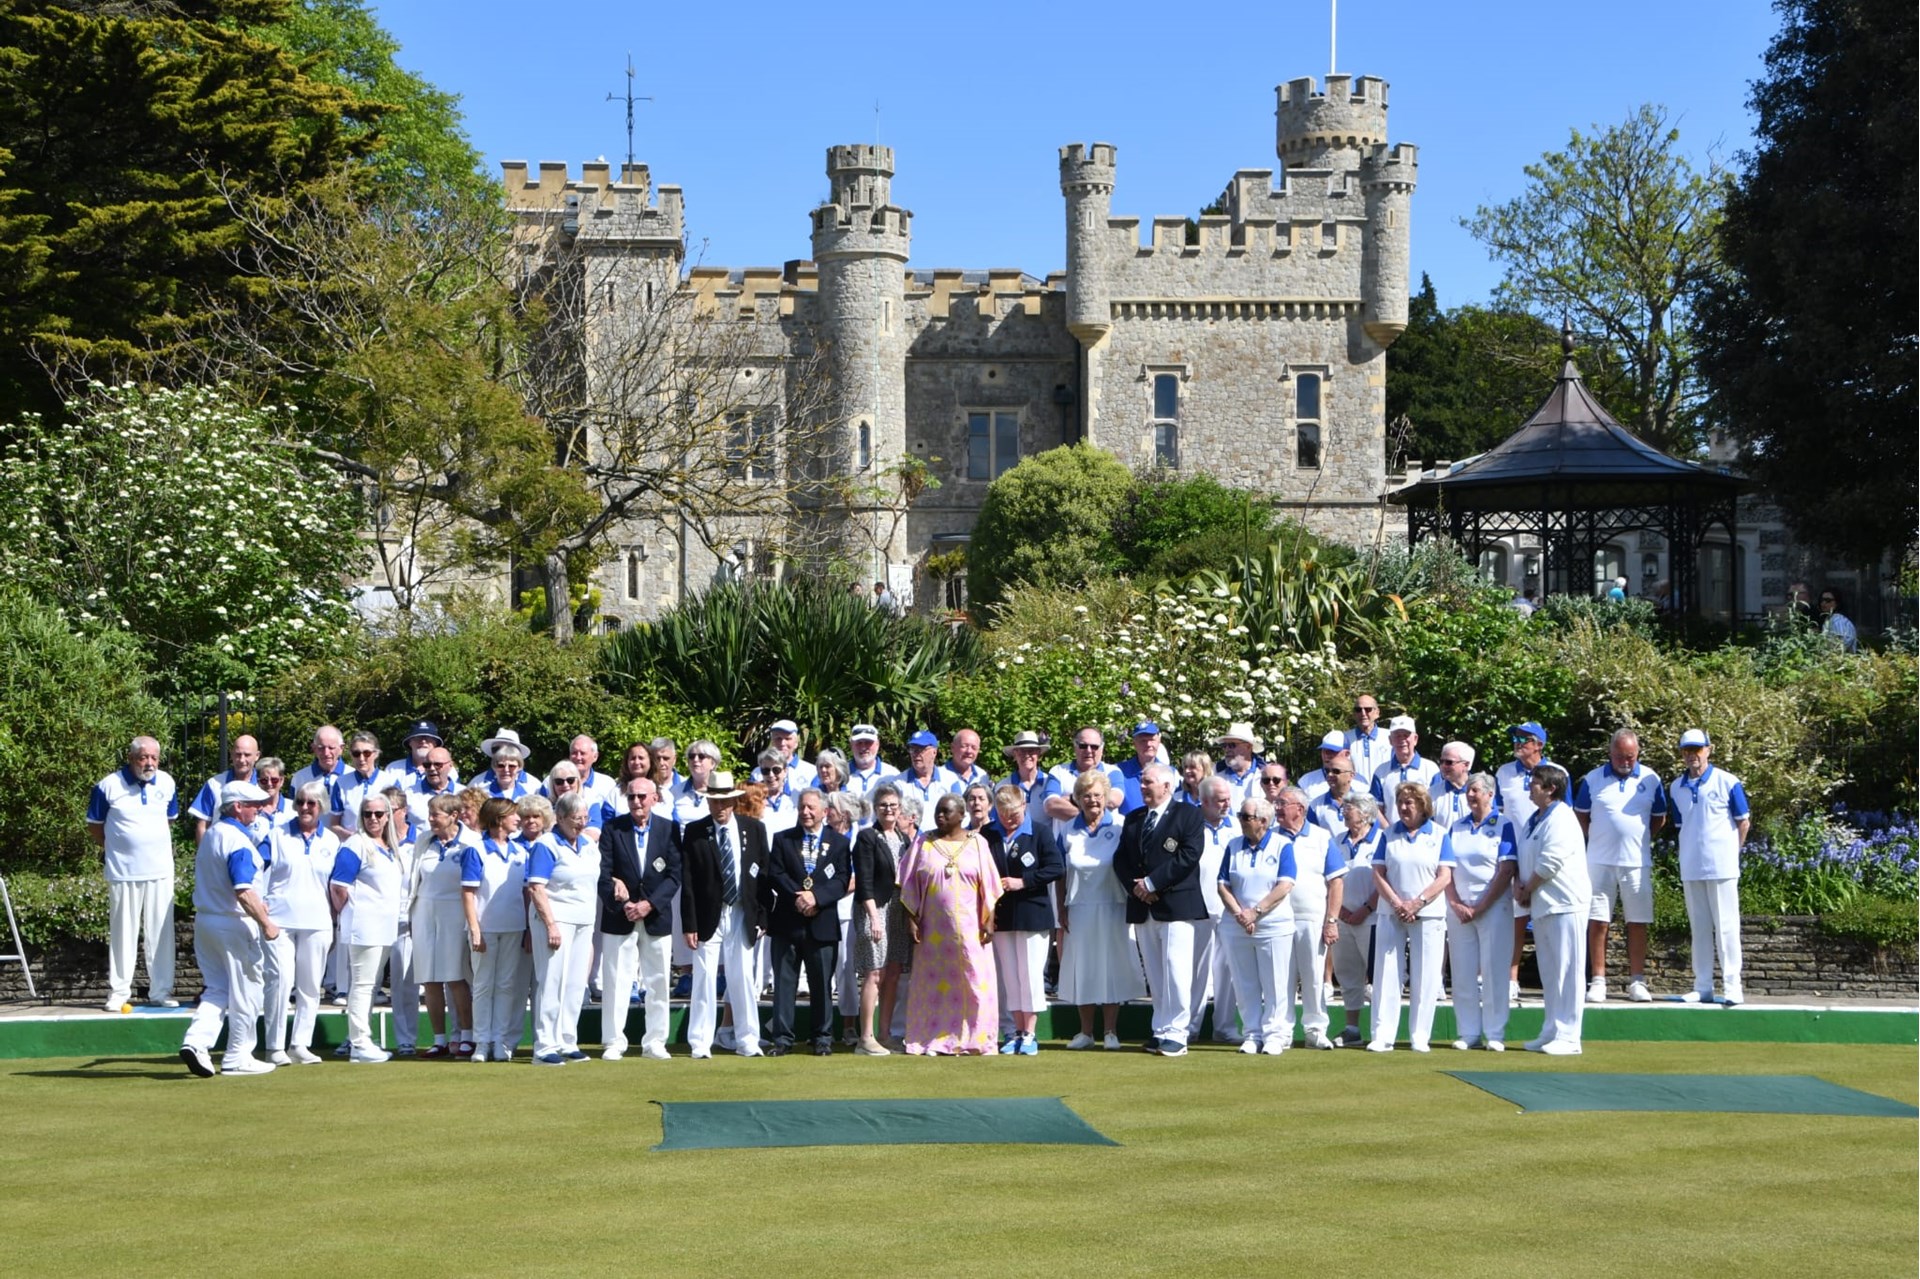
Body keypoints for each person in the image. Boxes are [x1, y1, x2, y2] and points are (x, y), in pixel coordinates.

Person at [179, 781, 279, 1077]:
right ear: (237, 807)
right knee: (247, 990)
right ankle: (238, 1055)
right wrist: (266, 923)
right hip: (233, 924)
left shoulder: (211, 835)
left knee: (217, 990)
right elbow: (243, 891)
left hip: (206, 922)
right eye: (253, 804)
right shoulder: (238, 841)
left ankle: (196, 1043)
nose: (259, 809)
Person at [897, 794, 1002, 1055]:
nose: (940, 816)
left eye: (946, 812)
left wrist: (990, 920)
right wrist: (910, 919)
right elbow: (909, 883)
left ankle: (976, 1038)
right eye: (937, 812)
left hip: (970, 930)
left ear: (961, 815)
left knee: (974, 982)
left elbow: (989, 885)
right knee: (934, 985)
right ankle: (932, 1036)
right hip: (932, 933)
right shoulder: (924, 842)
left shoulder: (978, 843)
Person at [1114, 762, 1207, 1056]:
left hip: (1176, 905)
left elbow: (1189, 856)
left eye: (1148, 782)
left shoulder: (1188, 814)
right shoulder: (1134, 818)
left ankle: (1178, 1033)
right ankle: (1161, 1028)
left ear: (1167, 786)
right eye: (1142, 782)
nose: (1142, 787)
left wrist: (1153, 884)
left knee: (1176, 970)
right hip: (1144, 907)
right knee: (1155, 973)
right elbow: (1121, 860)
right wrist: (1138, 889)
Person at [679, 771, 772, 1058]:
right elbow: (689, 882)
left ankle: (747, 1040)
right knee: (704, 977)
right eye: (714, 803)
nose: (719, 808)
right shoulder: (695, 832)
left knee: (742, 976)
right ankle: (700, 1041)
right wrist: (689, 923)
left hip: (742, 913)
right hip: (710, 914)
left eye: (724, 803)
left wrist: (763, 918)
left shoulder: (753, 829)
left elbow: (764, 877)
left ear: (733, 802)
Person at [1574, 730, 1666, 1003]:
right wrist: (1600, 839)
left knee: (1637, 922)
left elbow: (1659, 819)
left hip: (1636, 863)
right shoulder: (1592, 779)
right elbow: (1581, 815)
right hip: (1598, 861)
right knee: (1598, 920)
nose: (1625, 761)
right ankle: (1599, 980)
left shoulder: (1651, 779)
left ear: (1637, 753)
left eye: (1630, 756)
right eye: (1619, 756)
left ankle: (1637, 980)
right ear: (1609, 753)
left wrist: (1637, 839)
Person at [1053, 769, 1143, 1049]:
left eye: (1098, 795)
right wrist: (1061, 909)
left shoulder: (1120, 825)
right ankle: (1085, 1032)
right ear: (1078, 799)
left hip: (1114, 906)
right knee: (1085, 967)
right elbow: (1060, 873)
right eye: (1087, 795)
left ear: (1106, 797)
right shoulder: (1068, 830)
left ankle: (1111, 1033)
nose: (1093, 800)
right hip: (1079, 908)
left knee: (1111, 967)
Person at [89, 736, 180, 1012]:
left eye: (154, 757)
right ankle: (118, 994)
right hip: (122, 873)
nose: (149, 762)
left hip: (161, 871)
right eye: (143, 757)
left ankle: (161, 992)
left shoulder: (167, 783)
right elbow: (95, 826)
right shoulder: (108, 786)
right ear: (131, 758)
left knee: (162, 934)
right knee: (122, 934)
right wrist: (118, 849)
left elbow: (168, 819)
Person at [1368, 782, 1455, 1053]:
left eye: (1410, 802)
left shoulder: (1439, 834)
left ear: (1423, 805)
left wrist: (1417, 902)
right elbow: (1379, 873)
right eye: (1401, 802)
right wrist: (1397, 903)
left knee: (1426, 974)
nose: (1404, 807)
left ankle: (1419, 1035)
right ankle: (1382, 1035)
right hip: (1390, 912)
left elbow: (1444, 876)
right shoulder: (1388, 834)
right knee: (1386, 973)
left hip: (1428, 914)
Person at [598, 778, 681, 1061]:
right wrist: (622, 900)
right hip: (620, 915)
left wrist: (649, 905)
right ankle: (613, 1041)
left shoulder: (669, 829)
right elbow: (603, 870)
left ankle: (655, 1041)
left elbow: (674, 875)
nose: (636, 802)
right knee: (617, 980)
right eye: (631, 797)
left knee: (658, 981)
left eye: (641, 797)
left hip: (655, 916)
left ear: (654, 798)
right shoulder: (612, 828)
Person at [1668, 729, 1750, 1005]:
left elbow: (1743, 822)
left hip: (1722, 867)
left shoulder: (1728, 781)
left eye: (1697, 749)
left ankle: (1732, 986)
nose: (1692, 755)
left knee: (1726, 927)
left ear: (1709, 750)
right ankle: (1702, 985)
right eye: (1687, 750)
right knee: (1699, 928)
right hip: (1691, 866)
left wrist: (1731, 854)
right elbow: (1682, 825)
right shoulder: (1675, 787)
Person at [765, 790, 850, 1056]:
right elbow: (775, 873)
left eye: (812, 808)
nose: (806, 812)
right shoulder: (782, 839)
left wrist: (817, 898)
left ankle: (822, 1038)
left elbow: (842, 879)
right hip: (788, 922)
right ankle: (782, 1039)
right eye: (802, 807)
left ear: (825, 812)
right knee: (784, 983)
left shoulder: (839, 843)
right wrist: (799, 898)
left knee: (822, 984)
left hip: (822, 922)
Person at [1514, 763, 1591, 1053]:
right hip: (1544, 905)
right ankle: (1551, 1030)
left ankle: (1570, 1037)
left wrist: (1526, 887)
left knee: (1568, 970)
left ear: (1551, 788)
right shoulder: (1535, 818)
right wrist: (1520, 887)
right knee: (1550, 972)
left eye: (1535, 782)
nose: (1530, 786)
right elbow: (1527, 858)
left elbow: (1550, 862)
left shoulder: (1563, 817)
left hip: (1566, 903)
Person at [260, 782, 339, 1064]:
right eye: (301, 802)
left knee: (309, 986)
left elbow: (335, 885)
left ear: (321, 807)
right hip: (279, 920)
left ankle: (300, 1044)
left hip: (318, 921)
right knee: (280, 981)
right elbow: (258, 868)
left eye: (311, 803)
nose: (305, 808)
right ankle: (274, 1046)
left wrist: (335, 919)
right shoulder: (276, 834)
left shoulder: (331, 841)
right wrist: (260, 902)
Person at [1215, 795, 1298, 1055]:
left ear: (1263, 821)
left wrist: (1256, 912)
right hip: (1236, 925)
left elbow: (1284, 884)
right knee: (1244, 982)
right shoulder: (1233, 845)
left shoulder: (1282, 845)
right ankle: (1252, 1033)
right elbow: (1222, 884)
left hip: (1273, 925)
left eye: (1246, 817)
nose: (1240, 820)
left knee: (1275, 981)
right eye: (1240, 816)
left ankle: (1275, 1034)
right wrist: (1241, 914)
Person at [1443, 773, 1517, 1051]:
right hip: (1459, 909)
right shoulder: (1457, 826)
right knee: (1462, 972)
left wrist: (1480, 906)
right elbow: (1446, 869)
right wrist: (1456, 903)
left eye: (1476, 791)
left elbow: (1506, 869)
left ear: (1489, 794)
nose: (1471, 795)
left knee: (1494, 970)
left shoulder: (1504, 825)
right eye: (1468, 791)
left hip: (1493, 907)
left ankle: (1495, 1033)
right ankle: (1468, 1032)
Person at [328, 792, 404, 1063]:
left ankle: (362, 1040)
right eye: (367, 814)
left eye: (379, 814)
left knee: (369, 986)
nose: (373, 818)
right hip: (364, 926)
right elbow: (338, 886)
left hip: (383, 927)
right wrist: (352, 914)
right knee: (361, 985)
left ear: (387, 817)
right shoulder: (355, 844)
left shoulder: (387, 847)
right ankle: (359, 1043)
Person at [526, 792, 601, 1065]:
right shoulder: (546, 845)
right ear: (559, 818)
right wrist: (551, 925)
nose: (580, 824)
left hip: (583, 921)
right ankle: (544, 1045)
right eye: (574, 819)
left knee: (575, 982)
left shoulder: (589, 845)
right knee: (551, 981)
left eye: (584, 819)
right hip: (556, 920)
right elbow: (536, 888)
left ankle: (567, 1040)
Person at [987, 785, 1062, 1055]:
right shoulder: (988, 834)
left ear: (1025, 808)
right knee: (1010, 977)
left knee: (1030, 975)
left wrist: (1023, 882)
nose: (1008, 818)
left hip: (1033, 915)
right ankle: (1015, 1032)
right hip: (1002, 917)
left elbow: (1056, 867)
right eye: (1003, 813)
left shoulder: (1039, 833)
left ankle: (1030, 1033)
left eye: (1014, 813)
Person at [1271, 785, 1344, 1052]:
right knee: (1281, 977)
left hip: (1311, 917)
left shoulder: (1322, 837)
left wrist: (1332, 920)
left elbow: (1336, 881)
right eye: (1276, 804)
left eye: (1282, 804)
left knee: (1314, 976)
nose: (1276, 808)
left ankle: (1315, 1030)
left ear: (1300, 809)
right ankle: (1282, 1031)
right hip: (1277, 919)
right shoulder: (1271, 837)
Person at [461, 797, 531, 1064]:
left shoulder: (521, 851)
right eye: (514, 815)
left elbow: (526, 894)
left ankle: (500, 1041)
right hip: (485, 929)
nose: (519, 819)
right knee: (482, 985)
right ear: (500, 819)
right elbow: (467, 893)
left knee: (506, 986)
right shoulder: (476, 850)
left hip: (513, 927)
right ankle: (481, 1042)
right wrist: (475, 928)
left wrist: (526, 928)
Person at [412, 793, 477, 1058]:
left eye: (436, 814)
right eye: (430, 814)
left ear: (454, 815)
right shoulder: (423, 841)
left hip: (455, 912)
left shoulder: (470, 843)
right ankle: (439, 1039)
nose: (431, 820)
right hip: (424, 912)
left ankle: (467, 1035)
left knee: (455, 977)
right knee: (429, 979)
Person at [851, 783, 911, 1055]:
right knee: (874, 972)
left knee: (894, 973)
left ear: (900, 808)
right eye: (884, 805)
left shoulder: (904, 838)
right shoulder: (867, 837)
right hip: (874, 909)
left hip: (899, 911)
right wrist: (873, 917)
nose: (889, 809)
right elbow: (863, 881)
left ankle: (885, 1034)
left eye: (893, 805)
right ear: (875, 808)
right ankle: (865, 1037)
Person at [1497, 721, 1554, 1004]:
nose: (1518, 742)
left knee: (1547, 921)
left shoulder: (1556, 773)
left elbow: (1561, 816)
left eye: (1525, 738)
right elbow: (1500, 817)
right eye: (1516, 738)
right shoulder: (1504, 772)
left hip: (1545, 856)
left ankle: (1551, 980)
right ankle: (1511, 979)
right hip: (1514, 857)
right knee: (1516, 922)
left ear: (1539, 744)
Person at [1329, 793, 1385, 1047]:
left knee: (1377, 977)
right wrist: (1338, 911)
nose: (1344, 812)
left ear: (1364, 813)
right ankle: (1352, 1028)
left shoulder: (1381, 839)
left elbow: (1385, 877)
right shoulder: (1336, 841)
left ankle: (1380, 1029)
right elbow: (1330, 877)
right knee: (1348, 975)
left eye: (1348, 808)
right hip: (1342, 918)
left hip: (1372, 918)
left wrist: (1365, 908)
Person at [1192, 777, 1241, 1043]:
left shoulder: (1236, 826)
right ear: (1205, 801)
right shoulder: (1190, 824)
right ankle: (1189, 1026)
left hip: (1229, 909)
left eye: (1228, 798)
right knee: (1197, 971)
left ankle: (1224, 1027)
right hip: (1198, 907)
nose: (1227, 804)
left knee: (1228, 970)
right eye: (1221, 800)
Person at [823, 791, 867, 1044]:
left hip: (847, 910)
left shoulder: (860, 836)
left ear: (846, 814)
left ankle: (849, 1024)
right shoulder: (822, 834)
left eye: (832, 807)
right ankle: (823, 1026)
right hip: (821, 908)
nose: (826, 811)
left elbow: (860, 876)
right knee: (821, 970)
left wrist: (829, 892)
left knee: (846, 968)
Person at [187, 734, 259, 839]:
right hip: (220, 852)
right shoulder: (214, 784)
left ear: (257, 756)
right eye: (238, 754)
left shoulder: (265, 786)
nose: (242, 760)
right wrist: (205, 854)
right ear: (231, 754)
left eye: (247, 755)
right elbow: (202, 825)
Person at [328, 732, 388, 836]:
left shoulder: (389, 781)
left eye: (367, 753)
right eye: (356, 753)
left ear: (376, 754)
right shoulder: (341, 783)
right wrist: (354, 839)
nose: (361, 758)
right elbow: (334, 824)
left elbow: (397, 820)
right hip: (351, 845)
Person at [1370, 715, 1440, 803]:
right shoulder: (1380, 772)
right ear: (1390, 740)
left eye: (1406, 735)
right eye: (1397, 736)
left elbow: (1436, 805)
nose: (1402, 740)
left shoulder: (1431, 769)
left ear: (1415, 739)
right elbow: (1376, 807)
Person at [899, 730, 959, 830]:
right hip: (912, 841)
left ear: (934, 752)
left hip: (944, 839)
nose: (916, 754)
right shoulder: (899, 783)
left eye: (921, 749)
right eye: (913, 749)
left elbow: (959, 813)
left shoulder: (951, 780)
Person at [1001, 730, 1060, 813]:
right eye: (1022, 751)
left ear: (1038, 754)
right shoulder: (1003, 786)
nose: (1027, 755)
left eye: (1031, 750)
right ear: (1015, 754)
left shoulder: (1050, 783)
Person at [404, 745, 463, 825]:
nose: (432, 768)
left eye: (437, 764)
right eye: (427, 765)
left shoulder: (462, 794)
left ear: (450, 765)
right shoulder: (409, 794)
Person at [672, 740, 721, 828]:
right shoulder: (674, 792)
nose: (695, 759)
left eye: (701, 756)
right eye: (691, 756)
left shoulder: (721, 792)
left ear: (713, 763)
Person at [384, 720, 450, 786]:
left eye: (428, 738)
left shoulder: (447, 769)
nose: (423, 741)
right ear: (409, 742)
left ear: (435, 743)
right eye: (418, 737)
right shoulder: (393, 769)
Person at [1428, 741, 1476, 830]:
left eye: (1449, 762)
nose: (1443, 766)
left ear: (1466, 765)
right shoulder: (1431, 793)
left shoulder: (1481, 793)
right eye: (1441, 761)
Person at [1213, 723, 1263, 808]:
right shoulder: (1214, 773)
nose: (1227, 749)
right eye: (1224, 745)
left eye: (1232, 745)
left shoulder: (1266, 775)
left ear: (1248, 747)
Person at [844, 724, 899, 801]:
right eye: (859, 743)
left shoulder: (892, 774)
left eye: (868, 742)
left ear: (877, 744)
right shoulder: (841, 773)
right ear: (851, 745)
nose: (863, 748)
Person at [753, 748, 800, 837]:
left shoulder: (796, 797)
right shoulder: (753, 798)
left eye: (776, 770)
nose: (771, 775)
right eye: (766, 771)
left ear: (785, 771)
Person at [1297, 731, 1351, 805]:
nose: (1326, 755)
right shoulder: (1306, 781)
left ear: (1347, 754)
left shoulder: (1361, 783)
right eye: (1324, 750)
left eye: (1332, 751)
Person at [290, 725, 347, 793]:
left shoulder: (352, 776)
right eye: (321, 748)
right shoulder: (300, 778)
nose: (326, 753)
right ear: (314, 748)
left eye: (331, 748)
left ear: (341, 748)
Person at [763, 718, 818, 788]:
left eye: (787, 738)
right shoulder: (758, 774)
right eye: (778, 739)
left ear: (796, 743)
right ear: (772, 743)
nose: (782, 743)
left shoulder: (812, 773)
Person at [1344, 694, 1387, 781]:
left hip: (1383, 792)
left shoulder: (1390, 737)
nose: (1363, 713)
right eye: (1358, 710)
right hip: (1354, 793)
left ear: (1377, 713)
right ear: (1354, 714)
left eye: (1368, 709)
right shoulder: (1344, 739)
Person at [1819, 588, 1859, 652]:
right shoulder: (1830, 619)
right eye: (1821, 600)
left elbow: (1842, 643)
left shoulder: (1838, 621)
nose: (1823, 603)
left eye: (1828, 600)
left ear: (1837, 603)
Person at [648, 738, 686, 804]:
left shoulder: (685, 786)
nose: (661, 763)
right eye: (657, 758)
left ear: (674, 759)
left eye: (666, 758)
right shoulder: (643, 786)